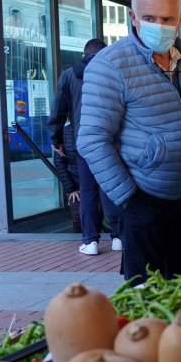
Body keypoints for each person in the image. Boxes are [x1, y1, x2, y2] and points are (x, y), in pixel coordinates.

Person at [78, 0, 181, 280]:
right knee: (147, 291)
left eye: (167, 19)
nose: (159, 26)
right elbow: (92, 140)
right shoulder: (110, 65)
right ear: (133, 17)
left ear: (180, 20)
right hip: (143, 197)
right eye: (149, 18)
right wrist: (130, 198)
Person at [50, 39, 123, 256]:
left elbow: (58, 109)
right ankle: (119, 237)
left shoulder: (69, 75)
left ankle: (90, 241)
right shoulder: (113, 71)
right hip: (112, 140)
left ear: (84, 54)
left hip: (85, 142)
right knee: (112, 188)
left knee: (88, 191)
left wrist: (56, 138)